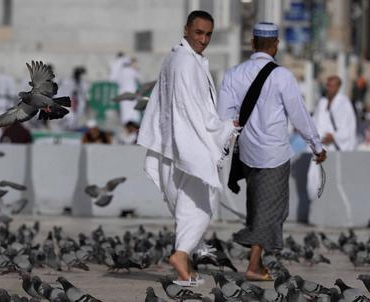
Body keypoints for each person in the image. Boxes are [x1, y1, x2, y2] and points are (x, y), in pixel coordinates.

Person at [217, 22, 326, 281]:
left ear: (253, 43)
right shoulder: (282, 76)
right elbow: (299, 115)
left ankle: (255, 258)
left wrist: (220, 151)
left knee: (258, 207)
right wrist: (316, 145)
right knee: (272, 211)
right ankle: (254, 265)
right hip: (274, 155)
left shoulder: (233, 74)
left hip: (246, 154)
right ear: (275, 45)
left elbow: (222, 117)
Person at [137, 10, 236, 285]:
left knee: (184, 205)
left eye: (208, 35)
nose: (203, 40)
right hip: (188, 145)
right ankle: (181, 255)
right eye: (198, 33)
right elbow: (192, 110)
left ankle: (185, 262)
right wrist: (224, 128)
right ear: (186, 30)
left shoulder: (175, 58)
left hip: (171, 145)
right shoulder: (186, 63)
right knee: (201, 205)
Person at [311, 75, 356, 151]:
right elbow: (315, 121)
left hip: (336, 145)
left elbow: (347, 127)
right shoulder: (322, 102)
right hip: (321, 144)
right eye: (328, 85)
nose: (328, 88)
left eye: (331, 86)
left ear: (338, 87)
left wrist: (334, 137)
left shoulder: (344, 103)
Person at [117, 58, 142, 125]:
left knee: (125, 108)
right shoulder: (132, 70)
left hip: (123, 92)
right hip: (131, 92)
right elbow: (139, 78)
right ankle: (134, 121)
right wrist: (136, 68)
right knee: (132, 107)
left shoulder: (120, 72)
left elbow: (118, 82)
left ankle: (125, 121)